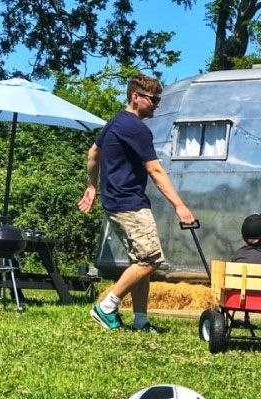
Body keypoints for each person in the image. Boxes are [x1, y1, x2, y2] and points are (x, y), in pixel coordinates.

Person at [78, 73, 195, 332]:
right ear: (135, 97)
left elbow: (93, 153)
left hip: (115, 200)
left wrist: (92, 186)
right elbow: (155, 171)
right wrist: (179, 205)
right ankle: (106, 306)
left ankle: (141, 321)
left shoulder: (114, 123)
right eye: (153, 99)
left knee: (141, 261)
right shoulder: (136, 128)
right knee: (151, 259)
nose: (157, 105)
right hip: (128, 202)